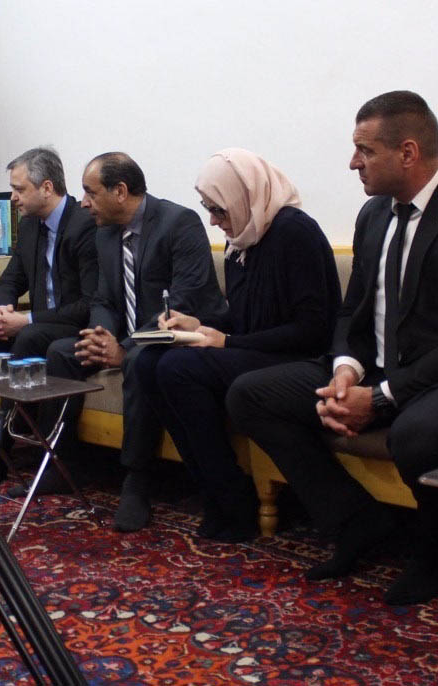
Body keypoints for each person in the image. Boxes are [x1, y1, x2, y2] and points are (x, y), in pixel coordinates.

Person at [227, 91, 438, 604]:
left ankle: (432, 556)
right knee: (251, 394)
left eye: (365, 150)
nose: (354, 163)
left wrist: (380, 398)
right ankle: (355, 520)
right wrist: (346, 372)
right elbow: (353, 310)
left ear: (408, 152)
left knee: (417, 435)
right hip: (382, 369)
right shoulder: (373, 215)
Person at [135, 148, 339, 542]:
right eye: (208, 209)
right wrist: (199, 325)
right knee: (149, 361)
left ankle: (233, 497)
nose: (214, 221)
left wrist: (226, 340)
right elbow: (245, 317)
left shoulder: (295, 232)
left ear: (243, 196)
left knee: (179, 368)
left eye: (219, 209)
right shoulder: (243, 238)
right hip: (257, 350)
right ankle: (213, 491)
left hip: (298, 359)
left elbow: (312, 329)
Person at [44, 152, 227, 532]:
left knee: (138, 360)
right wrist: (102, 336)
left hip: (179, 336)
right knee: (61, 352)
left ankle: (137, 479)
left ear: (120, 191)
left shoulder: (179, 223)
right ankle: (63, 461)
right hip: (129, 336)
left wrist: (125, 347)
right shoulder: (105, 233)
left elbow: (183, 301)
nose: (83, 202)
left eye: (90, 192)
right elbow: (103, 299)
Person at [0, 147, 98, 359]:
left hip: (72, 326)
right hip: (34, 325)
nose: (13, 197)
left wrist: (27, 320)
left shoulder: (84, 225)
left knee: (29, 335)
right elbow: (9, 282)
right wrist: (1, 313)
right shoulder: (29, 225)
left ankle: (16, 382)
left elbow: (87, 305)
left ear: (46, 188)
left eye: (19, 190)